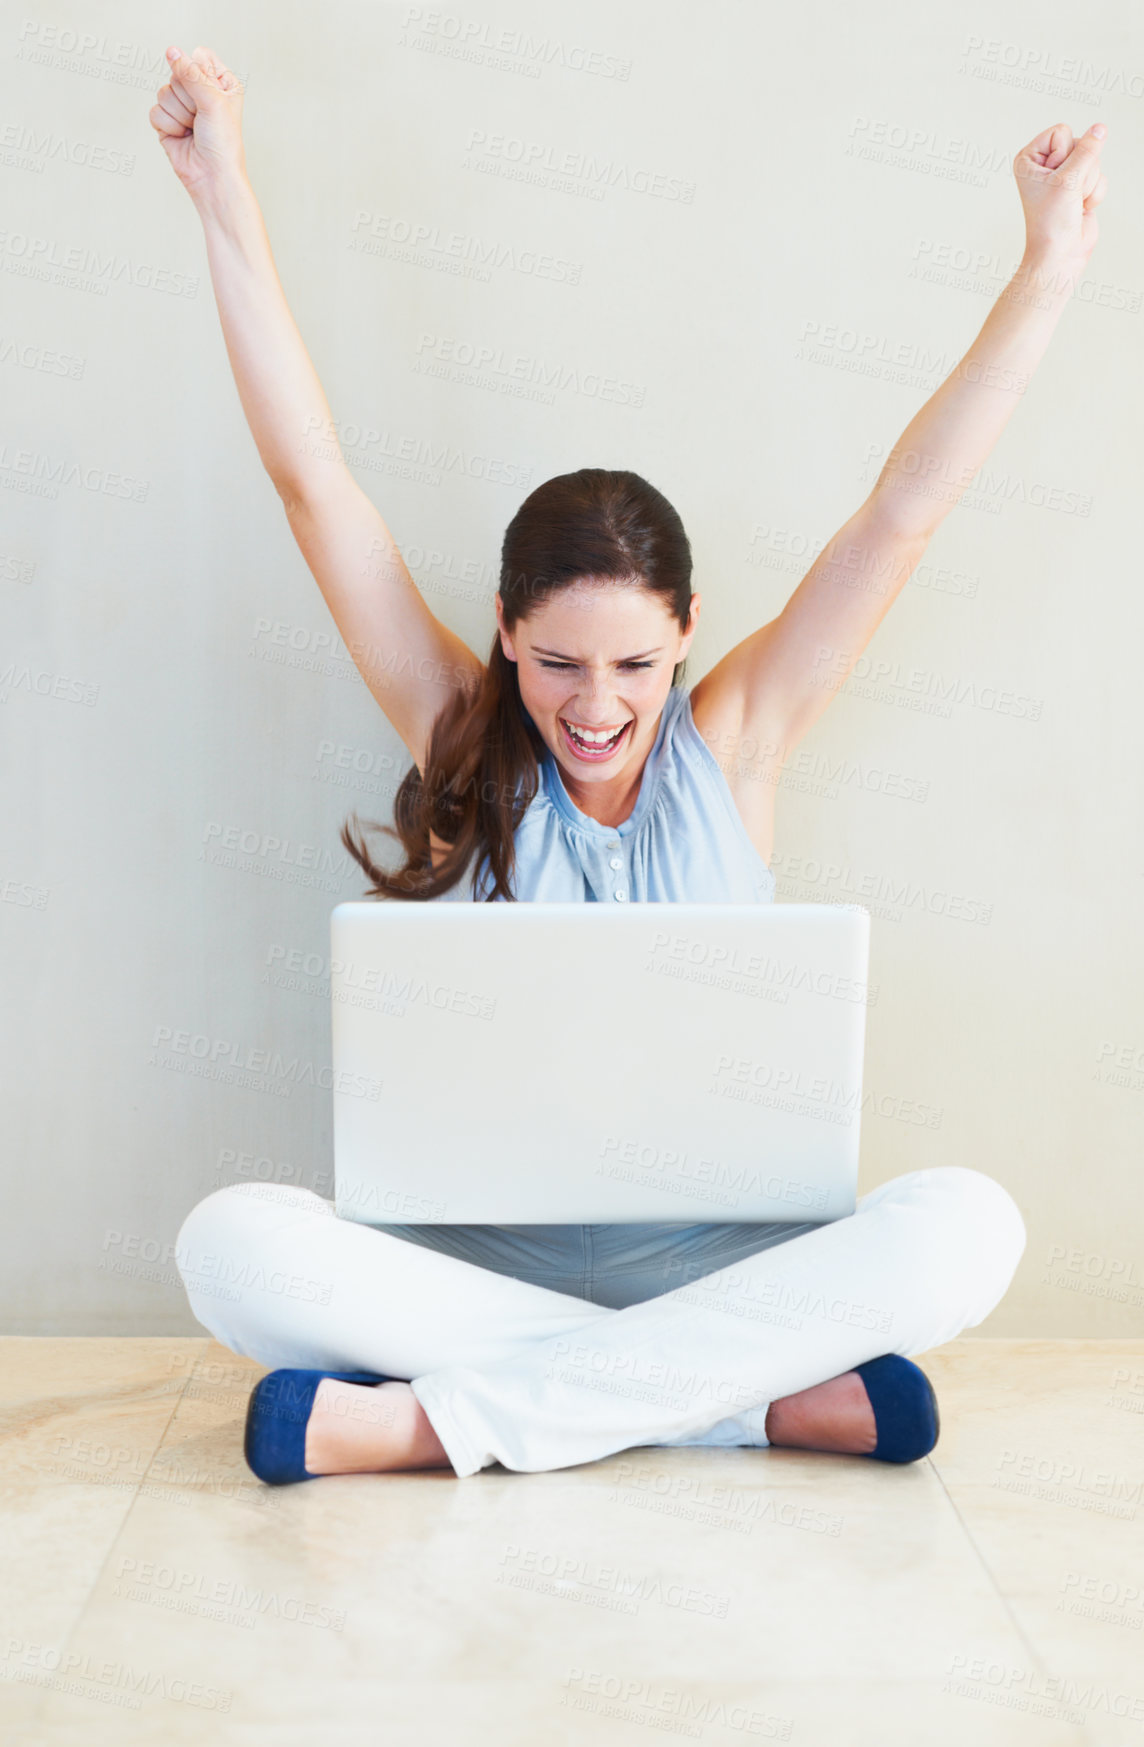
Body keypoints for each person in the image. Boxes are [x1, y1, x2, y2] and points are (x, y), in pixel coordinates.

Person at [150, 45, 1107, 1483]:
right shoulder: (458, 732)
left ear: (688, 640)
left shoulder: (736, 741)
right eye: (556, 663)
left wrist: (1043, 271)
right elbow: (316, 485)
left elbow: (901, 516)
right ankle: (730, 1410)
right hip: (490, 1268)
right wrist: (221, 190)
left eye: (636, 667)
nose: (596, 706)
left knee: (972, 1222)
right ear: (504, 637)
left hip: (724, 1274)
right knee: (228, 1249)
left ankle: (436, 1424)